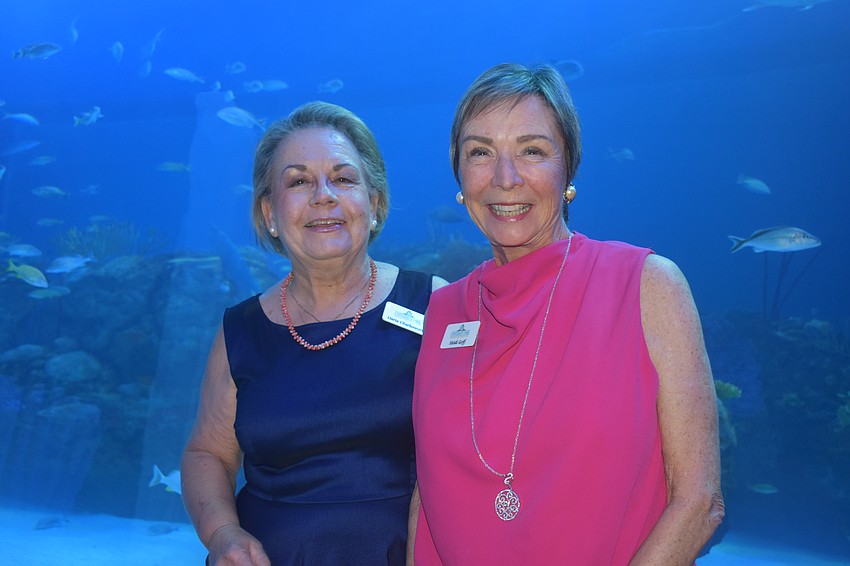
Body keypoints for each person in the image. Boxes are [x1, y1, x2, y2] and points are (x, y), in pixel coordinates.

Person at [409, 63, 724, 565]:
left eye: (531, 150)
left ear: (568, 168)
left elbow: (700, 501)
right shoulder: (444, 311)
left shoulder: (647, 285)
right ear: (459, 176)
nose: (505, 178)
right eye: (480, 153)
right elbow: (426, 498)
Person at [181, 101, 447, 565]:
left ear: (375, 203)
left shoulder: (436, 304)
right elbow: (207, 454)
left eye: (343, 178)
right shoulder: (238, 332)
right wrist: (222, 534)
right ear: (269, 212)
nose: (323, 195)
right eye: (299, 181)